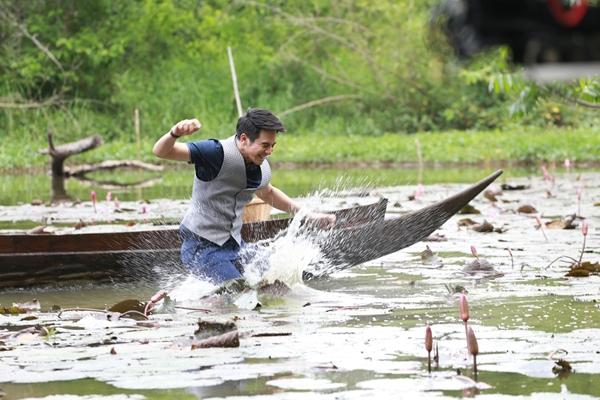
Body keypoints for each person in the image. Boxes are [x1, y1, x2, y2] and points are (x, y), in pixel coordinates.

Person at [152, 108, 335, 285]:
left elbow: (268, 193)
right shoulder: (215, 153)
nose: (269, 151)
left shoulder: (260, 165)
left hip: (235, 246)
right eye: (265, 145)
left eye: (272, 146)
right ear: (244, 139)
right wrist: (174, 133)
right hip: (202, 248)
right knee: (239, 292)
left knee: (276, 278)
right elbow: (161, 151)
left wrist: (308, 215)